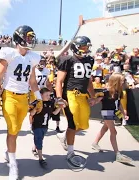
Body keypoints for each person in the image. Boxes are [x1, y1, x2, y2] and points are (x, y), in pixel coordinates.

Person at [0, 25, 42, 180]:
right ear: (19, 38)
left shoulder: (32, 57)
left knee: (15, 130)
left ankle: (8, 152)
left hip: (24, 98)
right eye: (27, 37)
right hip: (9, 95)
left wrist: (38, 97)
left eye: (31, 38)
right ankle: (13, 164)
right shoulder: (9, 53)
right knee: (13, 128)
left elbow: (33, 81)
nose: (30, 40)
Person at [56, 36, 101, 168]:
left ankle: (63, 135)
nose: (85, 49)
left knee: (83, 125)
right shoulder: (67, 59)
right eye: (83, 47)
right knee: (72, 125)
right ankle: (70, 152)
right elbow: (59, 81)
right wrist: (59, 97)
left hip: (83, 96)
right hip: (70, 95)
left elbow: (88, 81)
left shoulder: (89, 60)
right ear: (75, 47)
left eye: (87, 47)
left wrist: (92, 96)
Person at [92, 73, 133, 164]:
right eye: (122, 80)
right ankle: (117, 154)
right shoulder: (106, 91)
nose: (124, 82)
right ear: (116, 81)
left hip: (113, 112)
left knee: (105, 128)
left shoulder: (119, 92)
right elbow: (97, 99)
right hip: (106, 112)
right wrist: (94, 101)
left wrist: (123, 113)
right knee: (114, 131)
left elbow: (119, 104)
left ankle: (95, 143)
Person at [30, 88, 63, 167]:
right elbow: (31, 114)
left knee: (40, 138)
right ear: (41, 95)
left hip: (45, 126)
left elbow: (54, 113)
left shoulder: (51, 103)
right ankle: (41, 158)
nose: (49, 97)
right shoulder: (36, 102)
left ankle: (34, 148)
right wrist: (35, 108)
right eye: (47, 95)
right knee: (39, 140)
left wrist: (60, 107)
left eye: (49, 95)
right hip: (37, 125)